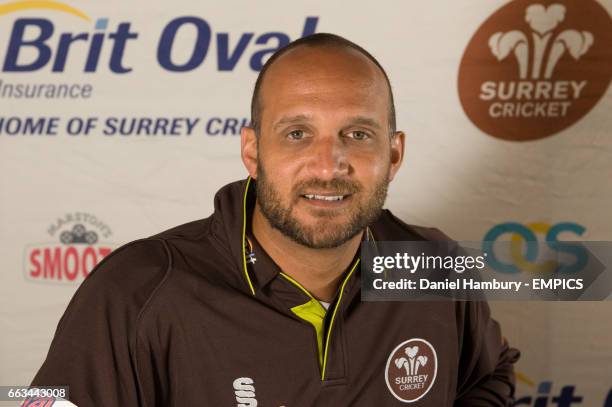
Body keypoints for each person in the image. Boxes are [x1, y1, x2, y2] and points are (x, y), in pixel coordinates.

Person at [31, 33, 519, 406]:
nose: (329, 166)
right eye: (298, 133)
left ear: (393, 155)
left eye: (357, 133)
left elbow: (490, 372)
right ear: (252, 151)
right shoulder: (137, 290)